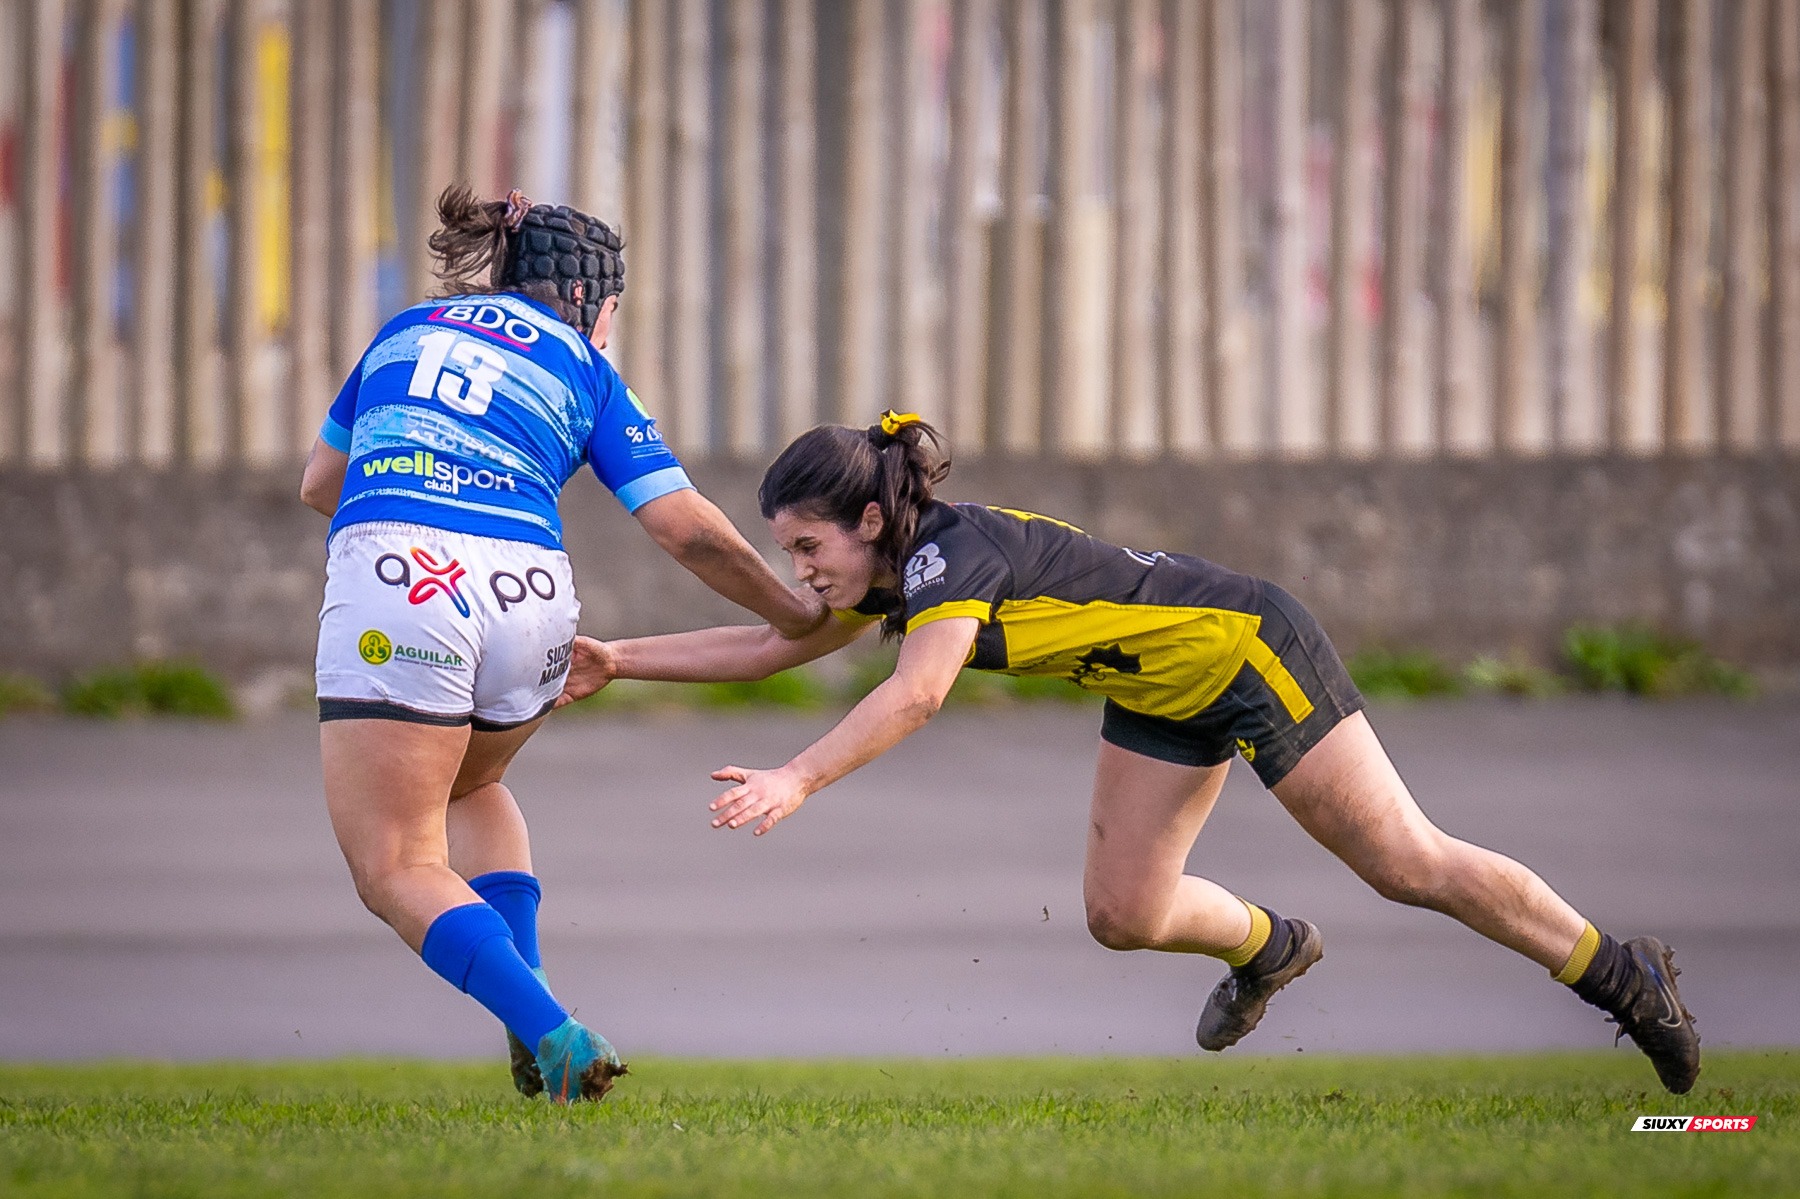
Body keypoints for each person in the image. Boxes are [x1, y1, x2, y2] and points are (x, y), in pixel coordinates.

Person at [556, 412, 1702, 1095]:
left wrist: (796, 775)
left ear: (866, 521)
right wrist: (620, 658)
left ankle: (1617, 969)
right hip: (1160, 692)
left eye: (807, 546)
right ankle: (1273, 945)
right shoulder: (898, 566)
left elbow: (917, 696)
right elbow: (773, 642)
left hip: (1247, 646)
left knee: (1405, 860)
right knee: (1122, 909)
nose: (800, 570)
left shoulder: (951, 556)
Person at [298, 185, 825, 1103]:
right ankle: (529, 1021)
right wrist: (790, 611)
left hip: (403, 579)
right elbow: (684, 527)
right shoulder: (584, 365)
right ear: (593, 300)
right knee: (475, 782)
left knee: (396, 864)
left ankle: (551, 1029)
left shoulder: (404, 330)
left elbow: (319, 484)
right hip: (535, 595)